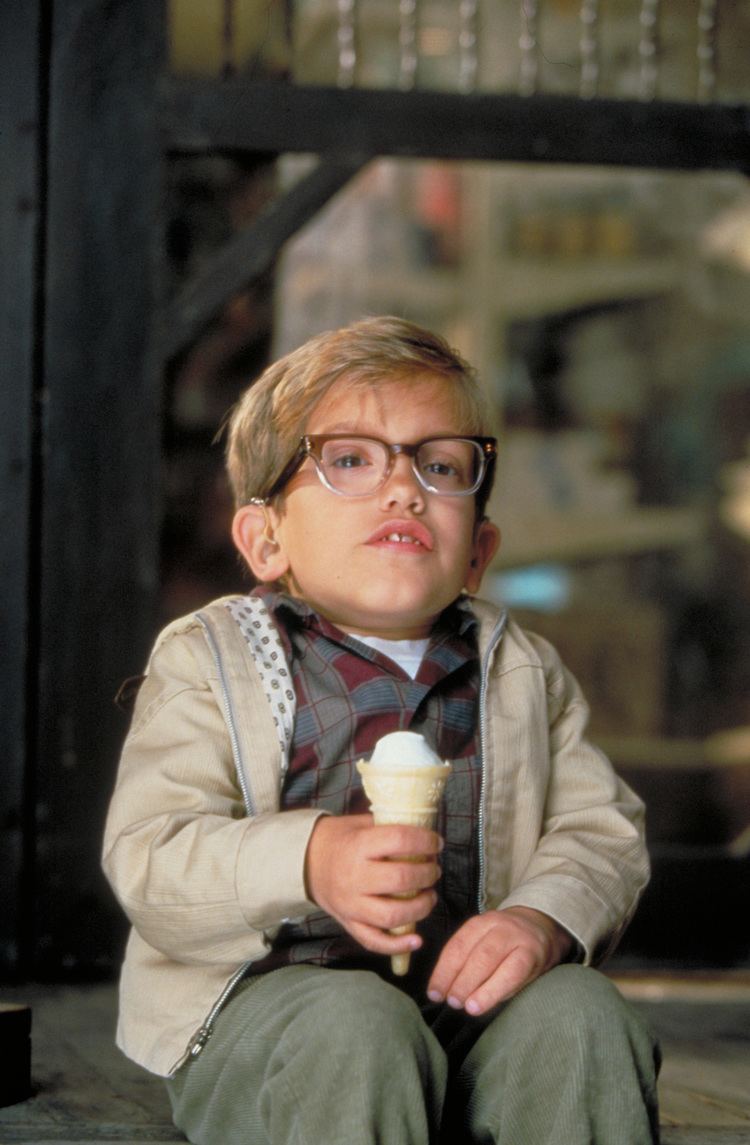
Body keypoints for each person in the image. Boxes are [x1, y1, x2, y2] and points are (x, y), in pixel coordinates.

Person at [103, 316, 660, 1145]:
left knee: (583, 1011)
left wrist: (542, 920)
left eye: (439, 465)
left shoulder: (521, 670)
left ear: (477, 552)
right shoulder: (211, 662)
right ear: (264, 538)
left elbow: (599, 828)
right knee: (356, 1024)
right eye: (351, 460)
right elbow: (150, 854)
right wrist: (310, 858)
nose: (405, 488)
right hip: (275, 1023)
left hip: (471, 1019)